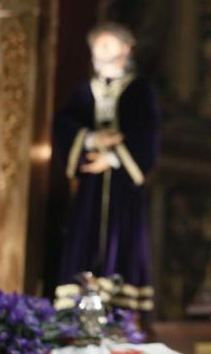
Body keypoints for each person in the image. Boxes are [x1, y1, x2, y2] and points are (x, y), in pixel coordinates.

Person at [53, 22, 159, 313]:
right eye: (97, 45)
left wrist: (112, 157)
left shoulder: (139, 91)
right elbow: (64, 124)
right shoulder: (84, 92)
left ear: (126, 48)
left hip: (123, 185)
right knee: (84, 236)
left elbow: (146, 133)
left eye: (108, 44)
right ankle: (79, 308)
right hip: (90, 183)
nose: (100, 50)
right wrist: (90, 139)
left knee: (121, 238)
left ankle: (121, 312)